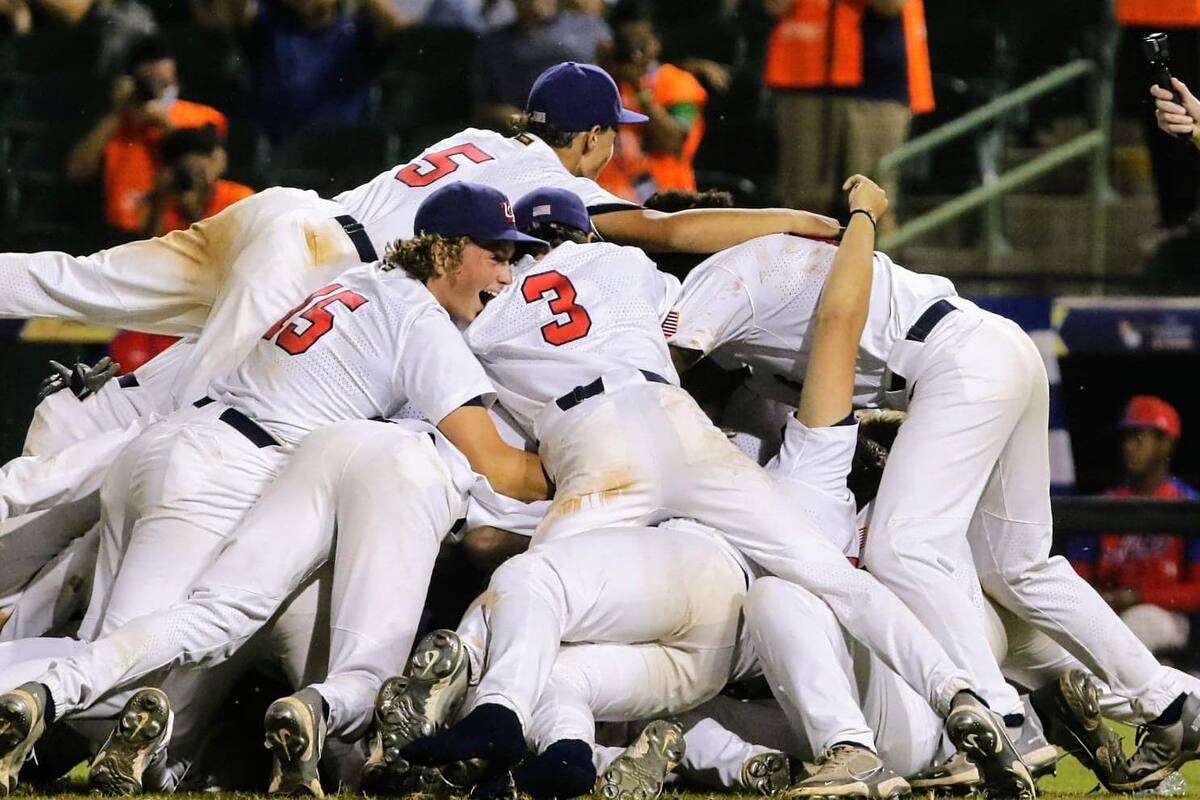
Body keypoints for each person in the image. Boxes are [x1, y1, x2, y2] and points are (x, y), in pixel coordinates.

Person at [390, 181, 1029, 797]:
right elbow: (679, 246)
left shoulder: (483, 317)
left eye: (513, 253)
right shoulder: (627, 267)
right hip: (679, 426)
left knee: (532, 592)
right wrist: (809, 221)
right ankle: (960, 692)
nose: (507, 268)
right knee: (837, 582)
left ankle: (494, 706)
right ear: (585, 236)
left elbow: (471, 446)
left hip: (598, 445)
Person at [666, 226, 1200, 793]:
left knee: (902, 548)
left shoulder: (720, 275)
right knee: (1019, 568)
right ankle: (1169, 702)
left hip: (951, 364)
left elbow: (658, 369)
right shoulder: (763, 327)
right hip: (988, 348)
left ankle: (1002, 717)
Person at [1070, 396, 1200, 658]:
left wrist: (1138, 596)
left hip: (1167, 616)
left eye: (1139, 437)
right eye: (1126, 438)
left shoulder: (1188, 504)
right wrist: (1102, 598)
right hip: (1108, 612)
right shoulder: (1104, 506)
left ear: (1165, 443)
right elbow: (1076, 576)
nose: (1128, 446)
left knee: (1139, 624)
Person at [65, 36, 229, 234]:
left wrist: (164, 123)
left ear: (176, 80)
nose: (155, 89)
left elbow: (210, 171)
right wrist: (118, 111)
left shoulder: (202, 117)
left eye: (163, 83)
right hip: (119, 233)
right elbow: (78, 171)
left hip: (180, 230)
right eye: (148, 82)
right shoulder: (116, 122)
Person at [192, 0, 408, 141]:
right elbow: (236, 12)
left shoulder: (356, 32)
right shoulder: (269, 28)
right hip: (276, 144)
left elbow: (392, 24)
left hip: (340, 146)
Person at [596, 2, 709, 202]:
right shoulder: (598, 81)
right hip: (606, 200)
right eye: (626, 42)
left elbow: (673, 143)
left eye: (640, 42)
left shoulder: (678, 83)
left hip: (665, 203)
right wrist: (601, 73)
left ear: (656, 42)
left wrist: (639, 90)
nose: (634, 52)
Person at [471, 0, 610, 130]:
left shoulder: (589, 28)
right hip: (525, 133)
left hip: (586, 126)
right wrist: (525, 123)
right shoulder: (494, 44)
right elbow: (484, 108)